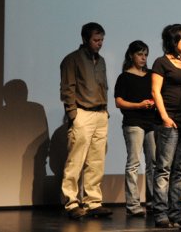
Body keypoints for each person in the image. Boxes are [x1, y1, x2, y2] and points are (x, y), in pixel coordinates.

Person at [59, 22, 112, 219]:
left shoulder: (102, 61)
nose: (100, 44)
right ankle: (71, 202)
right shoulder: (72, 60)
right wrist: (73, 115)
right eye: (96, 40)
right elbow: (67, 88)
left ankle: (93, 202)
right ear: (85, 39)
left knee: (96, 161)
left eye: (102, 40)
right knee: (76, 160)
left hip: (100, 114)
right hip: (82, 113)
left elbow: (103, 87)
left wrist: (105, 111)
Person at [151, 24, 181, 228]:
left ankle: (176, 213)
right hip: (169, 121)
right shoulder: (161, 62)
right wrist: (164, 116)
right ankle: (161, 214)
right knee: (164, 168)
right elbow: (156, 92)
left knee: (179, 169)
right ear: (174, 41)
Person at [114, 40, 157, 217]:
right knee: (134, 163)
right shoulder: (124, 77)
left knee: (153, 163)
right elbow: (119, 102)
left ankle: (154, 202)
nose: (143, 58)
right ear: (131, 55)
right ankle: (133, 205)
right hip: (133, 122)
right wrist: (139, 105)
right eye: (140, 54)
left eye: (145, 54)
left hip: (152, 122)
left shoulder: (151, 75)